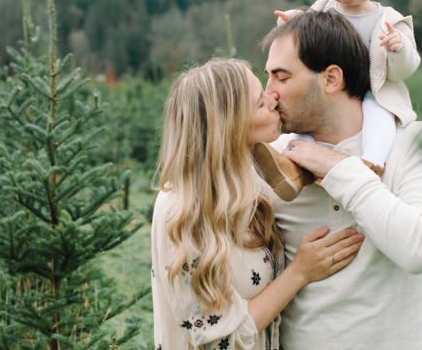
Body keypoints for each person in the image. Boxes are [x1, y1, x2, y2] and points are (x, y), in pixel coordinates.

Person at [263, 11, 422, 350]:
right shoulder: (273, 158)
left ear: (331, 79)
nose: (269, 94)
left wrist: (337, 168)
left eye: (281, 77)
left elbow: (420, 250)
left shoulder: (421, 144)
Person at [151, 58, 365, 350]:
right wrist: (300, 272)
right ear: (229, 124)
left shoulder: (250, 180)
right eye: (259, 103)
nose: (273, 99)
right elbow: (222, 339)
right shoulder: (180, 212)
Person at [275, 0, 420, 170]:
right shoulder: (322, 9)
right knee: (306, 121)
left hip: (372, 91)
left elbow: (407, 68)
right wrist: (291, 21)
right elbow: (304, 29)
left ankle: (373, 163)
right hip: (330, 90)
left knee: (380, 118)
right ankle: (292, 164)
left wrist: (398, 47)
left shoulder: (390, 20)